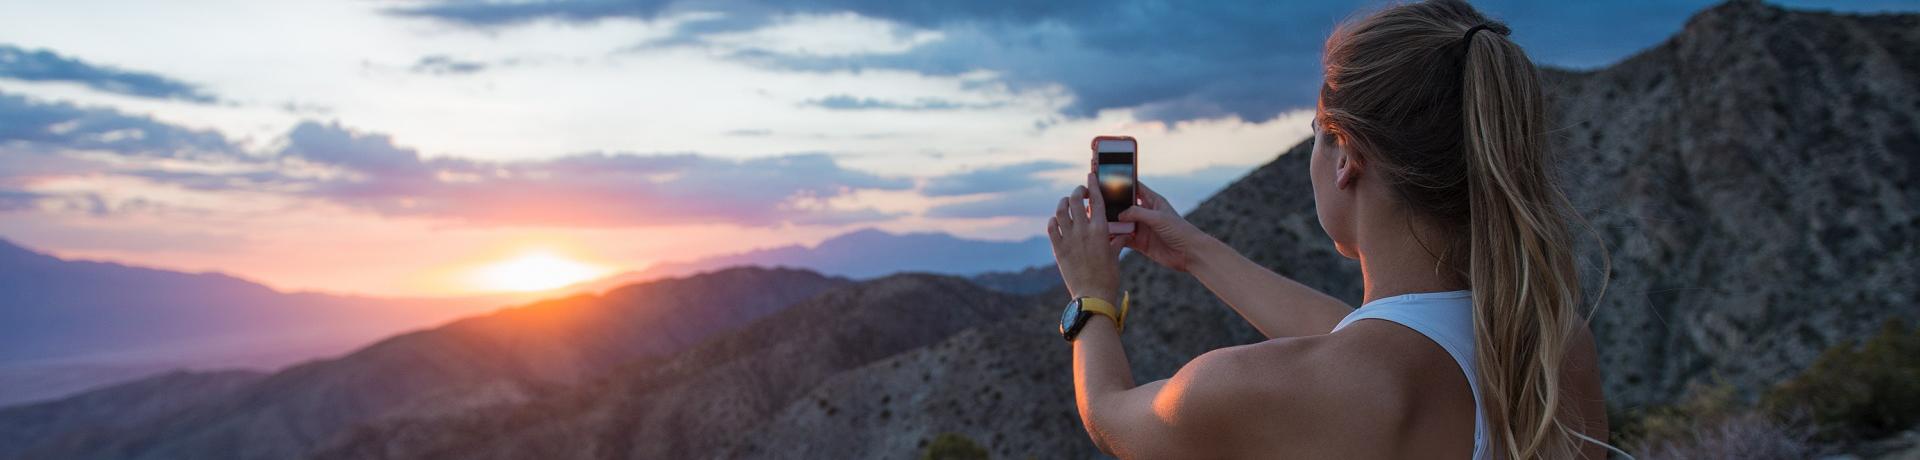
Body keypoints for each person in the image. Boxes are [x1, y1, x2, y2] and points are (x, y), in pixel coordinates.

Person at [1046, 0, 1613, 458]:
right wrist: (1194, 251)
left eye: (1318, 132)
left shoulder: (1261, 386)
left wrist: (1090, 297)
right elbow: (1363, 338)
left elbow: (1112, 416)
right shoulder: (1550, 349)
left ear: (1348, 158)